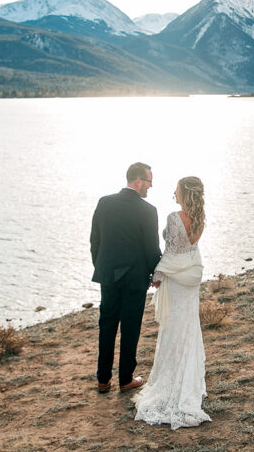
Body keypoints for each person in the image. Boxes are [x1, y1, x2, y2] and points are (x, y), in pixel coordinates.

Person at [133, 176, 211, 429]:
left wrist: (157, 273)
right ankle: (188, 382)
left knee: (173, 328)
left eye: (176, 190)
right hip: (190, 278)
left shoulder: (174, 218)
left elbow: (171, 251)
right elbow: (190, 250)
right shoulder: (200, 218)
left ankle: (170, 386)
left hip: (176, 280)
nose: (173, 193)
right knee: (188, 327)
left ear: (184, 194)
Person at [90, 162, 162, 394]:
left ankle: (103, 380)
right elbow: (152, 249)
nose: (150, 187)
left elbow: (95, 241)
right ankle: (125, 379)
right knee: (130, 328)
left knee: (107, 326)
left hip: (108, 276)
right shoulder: (148, 211)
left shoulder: (105, 202)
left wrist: (101, 267)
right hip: (134, 279)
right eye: (149, 181)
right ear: (138, 181)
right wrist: (156, 273)